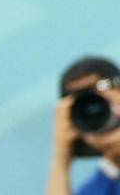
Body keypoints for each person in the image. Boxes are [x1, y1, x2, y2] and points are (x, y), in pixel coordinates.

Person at [47, 56, 120, 195]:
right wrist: (60, 157)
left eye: (100, 98)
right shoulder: (97, 189)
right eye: (81, 107)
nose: (93, 110)